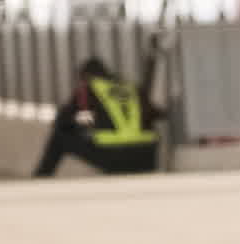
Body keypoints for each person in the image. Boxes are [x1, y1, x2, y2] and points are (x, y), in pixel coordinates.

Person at [32, 55, 161, 178]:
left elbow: (62, 120)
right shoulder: (132, 89)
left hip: (114, 156)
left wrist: (83, 125)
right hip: (146, 157)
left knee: (60, 136)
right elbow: (155, 114)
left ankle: (40, 178)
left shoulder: (88, 89)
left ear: (85, 76)